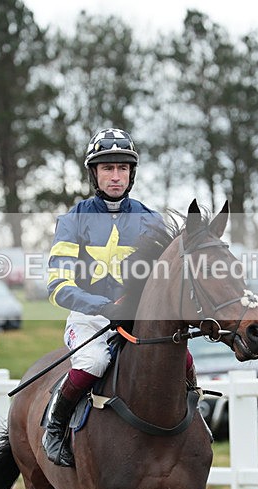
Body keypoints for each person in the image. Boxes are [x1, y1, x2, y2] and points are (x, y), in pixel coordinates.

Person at [43, 127, 177, 467]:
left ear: (131, 174)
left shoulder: (151, 220)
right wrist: (103, 307)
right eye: (107, 168)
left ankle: (195, 421)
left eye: (122, 168)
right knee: (93, 363)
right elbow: (57, 287)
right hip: (90, 320)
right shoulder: (73, 220)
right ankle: (55, 427)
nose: (115, 176)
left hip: (136, 320)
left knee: (182, 362)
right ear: (94, 173)